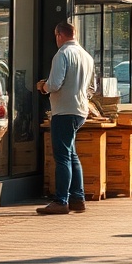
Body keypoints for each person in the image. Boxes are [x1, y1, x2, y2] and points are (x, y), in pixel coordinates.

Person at [36, 21, 96, 215]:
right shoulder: (87, 56)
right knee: (71, 155)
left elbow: (54, 84)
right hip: (80, 111)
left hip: (64, 111)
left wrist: (42, 86)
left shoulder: (62, 54)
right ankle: (78, 198)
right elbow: (92, 88)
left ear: (59, 35)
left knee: (62, 157)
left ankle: (61, 200)